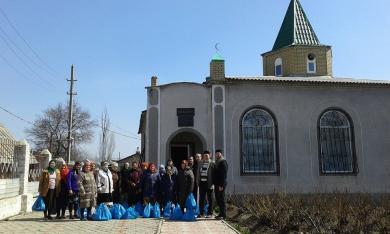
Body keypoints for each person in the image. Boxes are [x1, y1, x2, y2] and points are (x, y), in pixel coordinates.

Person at [198, 151, 215, 218]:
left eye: (207, 155)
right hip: (202, 183)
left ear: (209, 156)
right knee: (201, 199)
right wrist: (198, 181)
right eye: (205, 155)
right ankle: (201, 213)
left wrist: (213, 183)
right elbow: (198, 173)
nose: (206, 157)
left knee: (210, 199)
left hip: (209, 183)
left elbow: (214, 174)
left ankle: (210, 213)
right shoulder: (200, 163)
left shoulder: (212, 163)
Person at [213, 150, 228, 219]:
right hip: (217, 184)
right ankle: (220, 213)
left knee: (221, 199)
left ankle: (223, 215)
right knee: (218, 199)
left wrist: (221, 185)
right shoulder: (217, 162)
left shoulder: (223, 162)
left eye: (218, 154)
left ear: (221, 154)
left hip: (221, 184)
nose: (217, 155)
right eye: (216, 154)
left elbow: (223, 174)